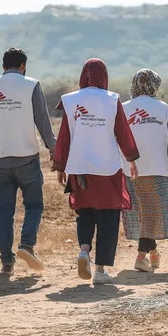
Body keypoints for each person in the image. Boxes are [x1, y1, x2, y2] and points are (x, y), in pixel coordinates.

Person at [52, 58, 140, 285]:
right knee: (109, 216)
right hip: (107, 167)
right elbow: (123, 131)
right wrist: (131, 158)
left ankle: (84, 251)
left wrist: (60, 165)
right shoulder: (112, 100)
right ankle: (100, 270)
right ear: (105, 77)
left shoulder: (71, 101)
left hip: (79, 168)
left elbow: (64, 136)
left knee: (85, 212)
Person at [0, 47, 56, 275]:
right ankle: (27, 245)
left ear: (3, 66)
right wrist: (53, 148)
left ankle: (6, 262)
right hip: (26, 159)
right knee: (34, 205)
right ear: (22, 66)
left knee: (4, 212)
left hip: (0, 160)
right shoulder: (31, 84)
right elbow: (43, 121)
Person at [121, 69, 168, 272]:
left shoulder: (123, 108)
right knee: (152, 214)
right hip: (159, 168)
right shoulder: (165, 109)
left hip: (130, 169)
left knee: (145, 214)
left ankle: (152, 254)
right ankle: (141, 256)